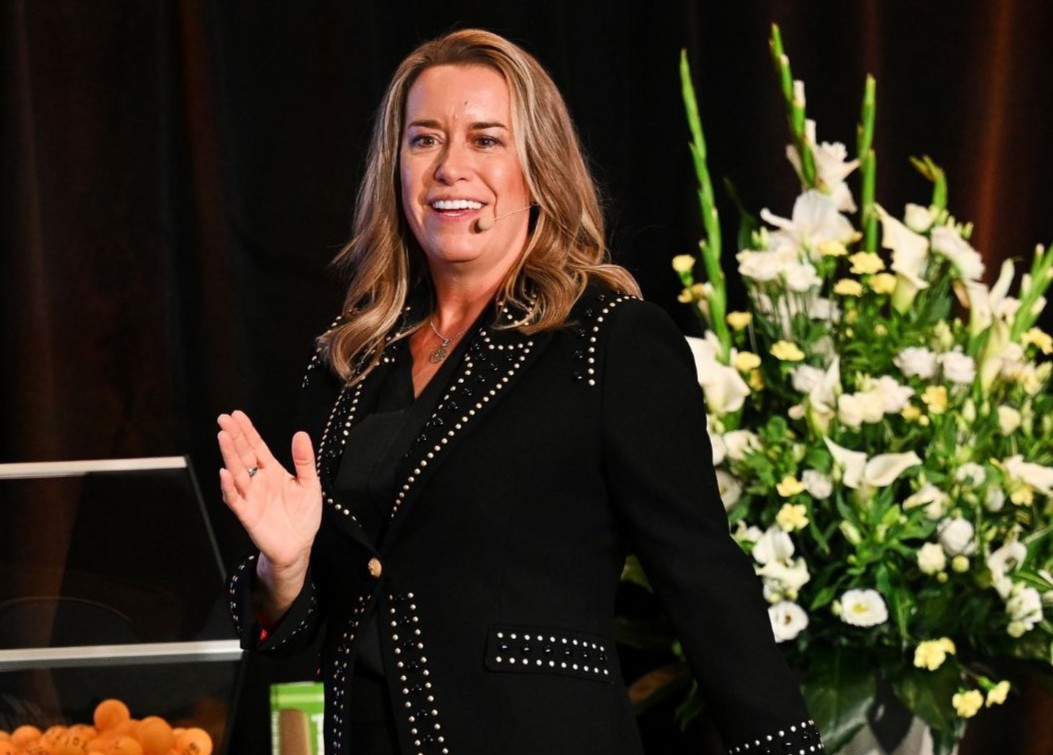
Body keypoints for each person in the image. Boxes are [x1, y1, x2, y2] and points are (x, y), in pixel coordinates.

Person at [218, 28, 824, 755]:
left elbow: (704, 580)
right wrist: (283, 570)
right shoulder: (348, 362)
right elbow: (311, 629)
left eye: (486, 140)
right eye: (424, 140)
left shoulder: (609, 342)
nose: (451, 167)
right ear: (394, 167)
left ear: (539, 168)